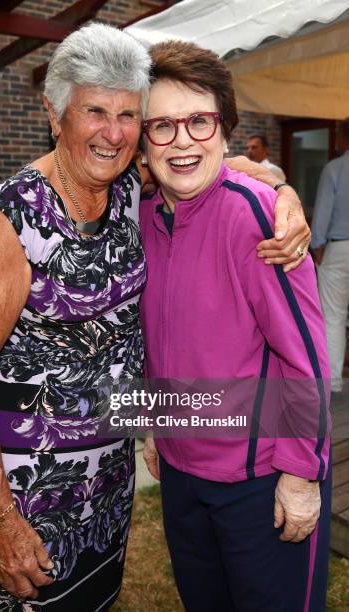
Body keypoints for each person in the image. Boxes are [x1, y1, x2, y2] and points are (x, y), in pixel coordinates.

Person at [0, 24, 309, 611]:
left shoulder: (125, 192)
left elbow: (208, 158)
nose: (112, 132)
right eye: (94, 110)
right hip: (33, 487)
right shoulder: (11, 219)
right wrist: (1, 517)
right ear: (55, 112)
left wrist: (280, 188)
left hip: (112, 470)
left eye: (128, 115)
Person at [140, 41, 330, 612]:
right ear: (142, 140)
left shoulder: (256, 216)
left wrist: (301, 475)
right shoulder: (143, 216)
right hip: (179, 474)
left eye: (199, 121)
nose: (182, 142)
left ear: (224, 130)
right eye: (162, 125)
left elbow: (307, 357)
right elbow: (155, 336)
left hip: (260, 480)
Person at [311, 118, 349, 395]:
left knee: (333, 315)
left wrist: (317, 246)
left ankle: (333, 381)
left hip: (339, 248)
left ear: (343, 138)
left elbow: (322, 211)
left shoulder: (336, 168)